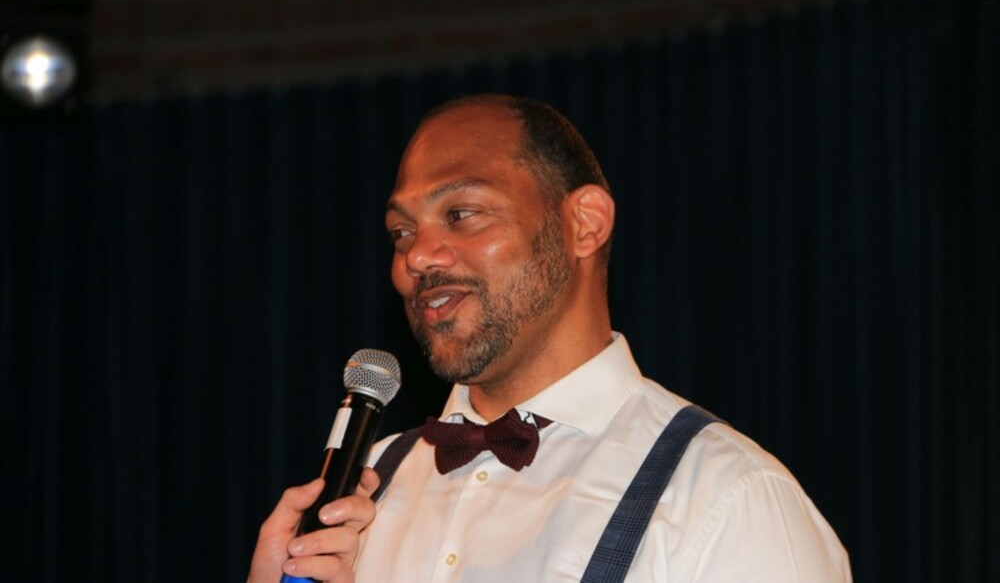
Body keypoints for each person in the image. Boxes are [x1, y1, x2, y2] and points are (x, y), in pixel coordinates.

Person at [248, 94, 851, 582]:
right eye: (401, 232)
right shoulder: (366, 490)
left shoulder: (728, 498)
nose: (418, 257)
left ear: (584, 224)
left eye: (461, 214)